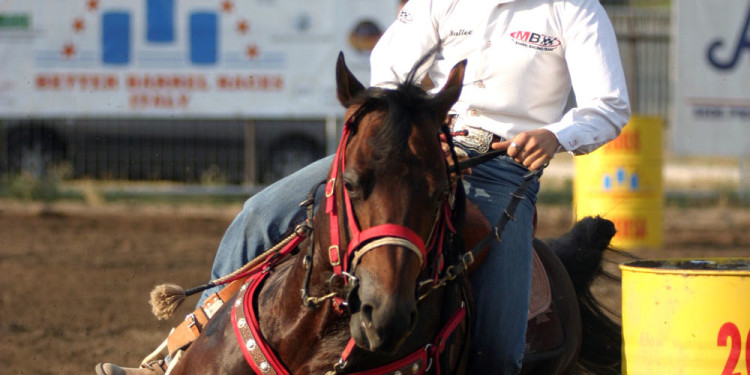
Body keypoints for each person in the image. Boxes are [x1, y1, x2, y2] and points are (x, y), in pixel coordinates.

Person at [97, 0, 629, 374]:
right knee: (262, 213)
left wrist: (556, 135)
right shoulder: (440, 2)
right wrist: (409, 118)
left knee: (497, 333)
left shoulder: (574, 8)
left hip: (500, 165)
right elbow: (390, 63)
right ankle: (180, 350)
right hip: (408, 143)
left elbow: (608, 106)